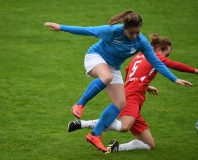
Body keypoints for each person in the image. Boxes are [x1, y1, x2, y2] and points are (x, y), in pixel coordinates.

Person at [44, 10, 192, 152]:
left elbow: (156, 62)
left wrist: (174, 79)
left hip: (113, 67)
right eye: (131, 33)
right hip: (96, 57)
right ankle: (80, 104)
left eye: (137, 32)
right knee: (106, 77)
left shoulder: (142, 42)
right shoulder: (113, 31)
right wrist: (61, 27)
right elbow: (87, 30)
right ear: (124, 28)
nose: (134, 36)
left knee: (120, 103)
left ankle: (94, 135)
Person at [67, 32, 198, 153]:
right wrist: (194, 71)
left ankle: (117, 148)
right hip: (133, 96)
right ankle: (83, 124)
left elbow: (129, 72)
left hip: (132, 93)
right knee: (124, 126)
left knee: (148, 143)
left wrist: (145, 86)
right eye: (166, 54)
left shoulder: (138, 56)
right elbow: (173, 65)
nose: (166, 57)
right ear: (158, 49)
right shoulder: (155, 56)